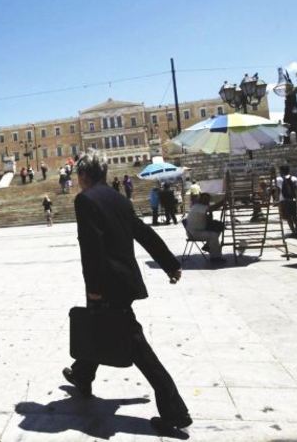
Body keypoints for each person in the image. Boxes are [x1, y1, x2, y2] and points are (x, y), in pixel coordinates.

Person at [63, 152, 191, 434]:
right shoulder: (118, 199)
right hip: (124, 282)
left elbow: (92, 249)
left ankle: (175, 412)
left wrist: (94, 290)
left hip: (106, 286)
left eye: (77, 175)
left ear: (83, 175)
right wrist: (169, 263)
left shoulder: (85, 200)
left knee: (136, 347)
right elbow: (143, 232)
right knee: (97, 328)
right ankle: (82, 374)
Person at [185, 193, 225, 262]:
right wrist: (223, 202)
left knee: (219, 226)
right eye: (204, 199)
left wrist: (210, 215)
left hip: (199, 230)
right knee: (213, 235)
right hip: (194, 233)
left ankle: (208, 246)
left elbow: (209, 220)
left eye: (207, 199)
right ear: (200, 199)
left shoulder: (201, 207)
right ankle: (215, 257)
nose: (206, 201)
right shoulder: (198, 207)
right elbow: (212, 208)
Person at [274, 165, 297, 237]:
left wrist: (276, 200)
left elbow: (277, 191)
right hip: (293, 200)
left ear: (281, 171)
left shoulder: (278, 179)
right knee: (294, 215)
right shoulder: (294, 178)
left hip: (283, 200)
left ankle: (293, 232)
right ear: (288, 170)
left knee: (288, 217)